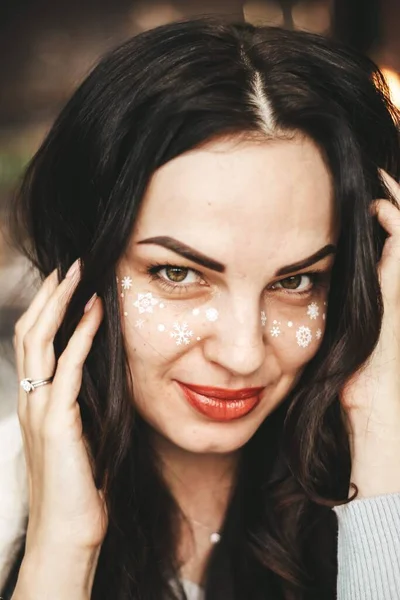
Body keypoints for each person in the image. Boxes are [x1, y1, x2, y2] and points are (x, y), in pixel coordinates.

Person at [2, 17, 400, 600]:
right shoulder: (6, 494)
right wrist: (61, 550)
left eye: (296, 280)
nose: (242, 353)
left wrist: (380, 429)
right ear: (83, 268)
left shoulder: (387, 468)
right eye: (178, 273)